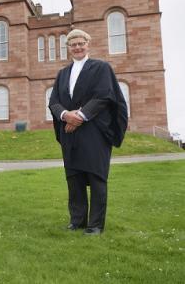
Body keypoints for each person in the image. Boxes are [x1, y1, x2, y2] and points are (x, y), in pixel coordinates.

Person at [49, 29, 128, 235]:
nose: (77, 47)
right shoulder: (62, 74)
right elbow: (54, 101)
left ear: (88, 44)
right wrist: (66, 115)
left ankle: (95, 225)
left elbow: (104, 96)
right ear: (68, 48)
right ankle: (77, 220)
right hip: (69, 132)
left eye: (80, 43)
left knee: (96, 177)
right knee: (74, 178)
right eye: (73, 44)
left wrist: (81, 116)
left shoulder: (101, 68)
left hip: (94, 131)